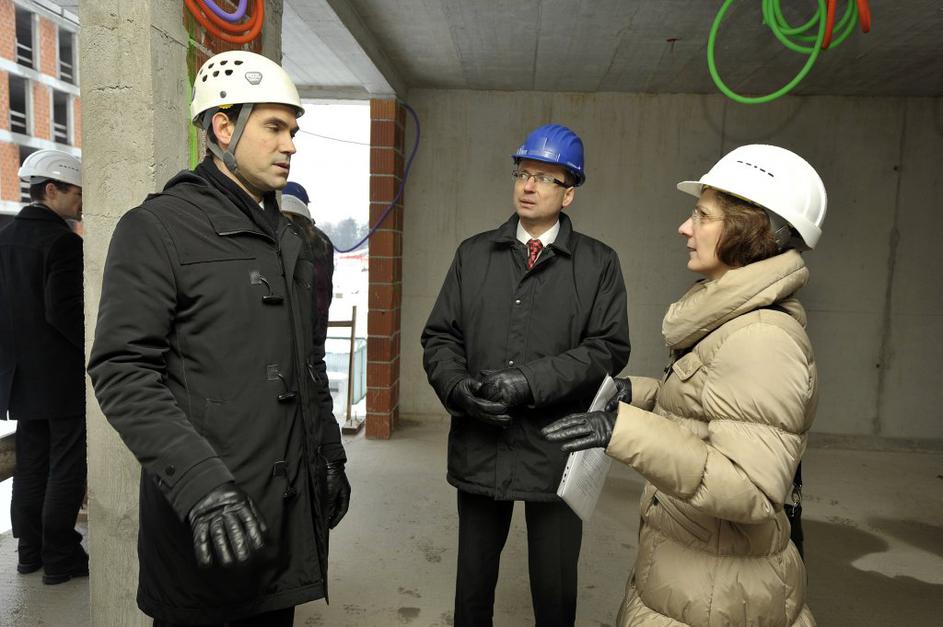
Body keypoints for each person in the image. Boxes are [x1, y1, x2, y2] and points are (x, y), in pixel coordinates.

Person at [88, 50, 350, 626]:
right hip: (205, 519)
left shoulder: (288, 238)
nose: (290, 144)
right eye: (274, 128)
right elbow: (121, 371)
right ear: (224, 128)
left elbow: (306, 364)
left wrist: (329, 453)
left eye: (293, 130)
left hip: (277, 521)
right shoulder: (156, 228)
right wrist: (200, 484)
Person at [543, 144, 825, 627]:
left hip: (717, 598)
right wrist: (639, 395)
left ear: (750, 230)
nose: (684, 227)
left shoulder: (761, 339)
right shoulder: (735, 320)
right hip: (697, 576)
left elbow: (752, 488)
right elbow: (714, 407)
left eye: (702, 215)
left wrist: (625, 432)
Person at [421, 124, 631, 627]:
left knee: (555, 589)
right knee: (473, 585)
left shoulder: (599, 263)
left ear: (569, 193)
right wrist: (457, 389)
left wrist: (529, 382)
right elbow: (441, 337)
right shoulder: (473, 254)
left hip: (556, 446)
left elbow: (607, 349)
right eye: (522, 173)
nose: (528, 186)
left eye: (544, 177)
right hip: (482, 440)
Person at [0, 149, 87, 586]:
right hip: (60, 376)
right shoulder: (63, 242)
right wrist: (92, 350)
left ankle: (29, 553)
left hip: (19, 378)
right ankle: (60, 556)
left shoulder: (3, 238)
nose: (81, 202)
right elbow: (65, 312)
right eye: (76, 193)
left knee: (31, 465)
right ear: (51, 189)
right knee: (67, 466)